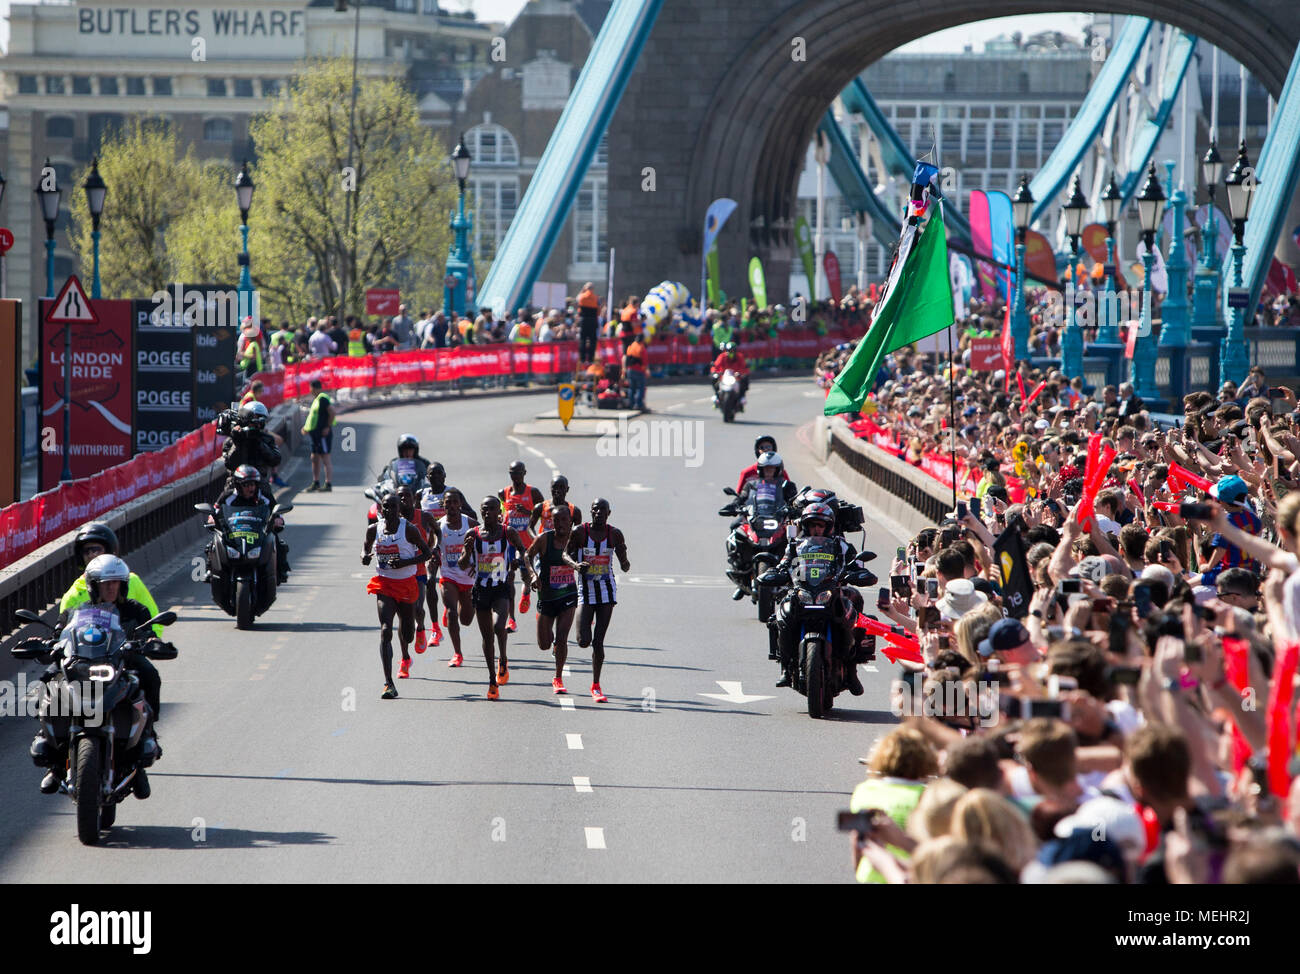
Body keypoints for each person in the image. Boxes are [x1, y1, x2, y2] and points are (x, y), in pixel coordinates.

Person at [31, 555, 174, 797]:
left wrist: (152, 642)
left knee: (150, 675)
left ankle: (147, 737)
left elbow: (149, 631)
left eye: (116, 583)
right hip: (82, 663)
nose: (111, 588)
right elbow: (59, 635)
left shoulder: (134, 609)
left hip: (122, 662)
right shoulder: (76, 611)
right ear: (93, 585)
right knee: (49, 679)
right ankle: (53, 755)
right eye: (105, 583)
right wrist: (45, 644)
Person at [770, 501, 864, 695]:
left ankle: (852, 672)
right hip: (803, 590)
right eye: (812, 524)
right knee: (780, 614)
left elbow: (856, 564)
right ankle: (786, 668)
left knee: (856, 602)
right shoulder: (795, 545)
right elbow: (784, 564)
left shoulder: (841, 545)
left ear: (828, 526)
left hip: (831, 590)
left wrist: (858, 572)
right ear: (806, 526)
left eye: (820, 525)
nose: (816, 528)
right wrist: (776, 572)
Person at [459, 497, 536, 700]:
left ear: (498, 512)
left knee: (499, 626)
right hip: (481, 590)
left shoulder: (506, 532)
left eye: (492, 509)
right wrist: (467, 552)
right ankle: (492, 680)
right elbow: (461, 564)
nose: (488, 512)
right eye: (485, 509)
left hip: (501, 588)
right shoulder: (472, 535)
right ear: (481, 511)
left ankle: (503, 657)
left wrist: (524, 567)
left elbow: (522, 550)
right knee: (486, 638)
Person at [362, 492, 432, 699]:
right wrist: (364, 556)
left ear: (399, 509)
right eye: (386, 507)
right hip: (384, 583)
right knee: (385, 630)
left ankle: (416, 632)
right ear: (381, 509)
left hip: (407, 585)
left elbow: (427, 553)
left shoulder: (408, 529)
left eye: (394, 506)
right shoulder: (374, 529)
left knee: (407, 634)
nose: (390, 510)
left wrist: (404, 563)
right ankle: (388, 683)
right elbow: (365, 548)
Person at [567, 498, 631, 702]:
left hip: (607, 591)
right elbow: (565, 555)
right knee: (583, 641)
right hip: (585, 591)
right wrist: (576, 565)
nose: (599, 513)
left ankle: (596, 685)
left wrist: (625, 561)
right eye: (595, 509)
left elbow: (624, 562)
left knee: (598, 641)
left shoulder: (614, 534)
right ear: (591, 511)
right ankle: (586, 620)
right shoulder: (579, 532)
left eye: (603, 510)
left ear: (609, 513)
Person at [526, 503, 585, 694]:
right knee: (544, 644)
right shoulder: (544, 539)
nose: (560, 524)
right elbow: (527, 556)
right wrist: (533, 575)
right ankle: (545, 630)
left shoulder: (576, 539)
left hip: (568, 594)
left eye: (564, 520)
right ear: (551, 522)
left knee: (562, 638)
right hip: (547, 596)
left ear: (571, 521)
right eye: (556, 520)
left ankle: (558, 678)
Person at [216, 464, 291, 584]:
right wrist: (211, 517)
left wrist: (278, 519)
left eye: (253, 484)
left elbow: (275, 510)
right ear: (238, 485)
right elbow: (215, 510)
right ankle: (211, 570)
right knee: (214, 543)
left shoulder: (264, 495)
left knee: (276, 541)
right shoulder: (228, 496)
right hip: (234, 535)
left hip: (257, 533)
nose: (251, 488)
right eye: (246, 485)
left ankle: (280, 571)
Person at [433, 488, 479, 668]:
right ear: (443, 505)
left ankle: (456, 605)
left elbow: (483, 546)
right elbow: (433, 547)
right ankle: (457, 653)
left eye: (454, 502)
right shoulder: (438, 526)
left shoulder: (472, 524)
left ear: (460, 504)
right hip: (448, 575)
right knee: (452, 613)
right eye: (448, 502)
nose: (451, 506)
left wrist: (478, 566)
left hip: (468, 578)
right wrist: (434, 556)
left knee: (466, 620)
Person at [498, 461, 546, 633]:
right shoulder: (503, 493)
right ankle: (511, 620)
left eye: (518, 473)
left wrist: (527, 513)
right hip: (509, 543)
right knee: (508, 579)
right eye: (512, 472)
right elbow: (502, 511)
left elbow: (544, 512)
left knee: (526, 576)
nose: (515, 476)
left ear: (524, 473)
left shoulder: (532, 492)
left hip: (528, 544)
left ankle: (526, 593)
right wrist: (500, 518)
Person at [397, 485, 437, 656]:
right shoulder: (393, 519)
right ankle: (405, 658)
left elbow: (437, 531)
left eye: (407, 495)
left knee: (418, 609)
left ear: (414, 498)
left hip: (419, 570)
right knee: (403, 617)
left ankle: (420, 628)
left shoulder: (424, 516)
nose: (404, 499)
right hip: (399, 574)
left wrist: (433, 548)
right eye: (400, 496)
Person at [218, 400, 280, 505]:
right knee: (218, 512)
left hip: (260, 485)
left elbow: (275, 460)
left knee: (275, 515)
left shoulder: (266, 439)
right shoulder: (232, 440)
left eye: (260, 421)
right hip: (235, 485)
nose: (256, 425)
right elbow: (229, 464)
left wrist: (258, 442)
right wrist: (238, 443)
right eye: (253, 421)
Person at [301, 378, 334, 491]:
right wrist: (306, 428)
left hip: (322, 434)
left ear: (314, 388)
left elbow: (332, 412)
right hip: (315, 435)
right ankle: (316, 482)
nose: (310, 390)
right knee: (314, 457)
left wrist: (327, 427)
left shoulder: (323, 398)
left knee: (325, 458)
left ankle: (328, 483)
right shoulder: (317, 399)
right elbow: (313, 417)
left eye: (310, 388)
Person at [711, 342, 750, 408]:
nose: (731, 353)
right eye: (729, 351)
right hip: (724, 377)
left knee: (745, 379)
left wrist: (741, 373)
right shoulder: (722, 356)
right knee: (714, 379)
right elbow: (715, 366)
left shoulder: (739, 357)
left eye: (733, 351)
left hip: (736, 377)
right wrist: (715, 372)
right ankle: (717, 395)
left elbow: (745, 368)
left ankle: (742, 397)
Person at [624, 331, 649, 410]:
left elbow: (627, 358)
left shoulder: (630, 346)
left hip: (630, 370)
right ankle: (639, 404)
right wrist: (646, 371)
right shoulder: (641, 347)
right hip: (639, 370)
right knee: (641, 388)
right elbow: (644, 361)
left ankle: (631, 404)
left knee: (632, 388)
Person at [577, 282, 601, 364]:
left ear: (585, 288)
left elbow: (577, 299)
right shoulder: (596, 298)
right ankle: (591, 359)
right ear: (593, 289)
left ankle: (582, 359)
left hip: (584, 320)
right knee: (593, 340)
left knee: (583, 339)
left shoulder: (582, 296)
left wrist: (582, 290)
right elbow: (599, 309)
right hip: (593, 320)